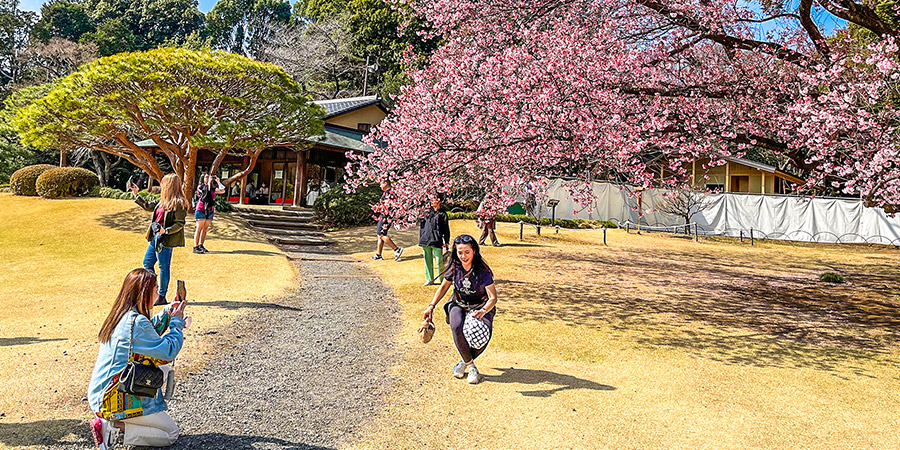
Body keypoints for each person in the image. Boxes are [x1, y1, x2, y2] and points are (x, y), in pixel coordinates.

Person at [87, 268, 187, 449]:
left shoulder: (122, 315)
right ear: (144, 292)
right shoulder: (137, 322)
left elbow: (148, 333)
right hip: (114, 397)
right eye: (156, 289)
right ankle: (114, 429)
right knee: (171, 434)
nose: (158, 293)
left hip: (102, 392)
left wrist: (168, 311)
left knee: (161, 372)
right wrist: (177, 323)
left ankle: (115, 427)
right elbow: (168, 351)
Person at [423, 234, 498, 384]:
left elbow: (493, 298)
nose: (463, 256)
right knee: (456, 326)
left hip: (480, 306)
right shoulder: (454, 267)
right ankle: (471, 368)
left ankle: (464, 362)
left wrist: (483, 311)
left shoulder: (484, 271)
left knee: (483, 337)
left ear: (474, 251)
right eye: (460, 252)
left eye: (467, 252)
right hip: (458, 303)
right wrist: (431, 306)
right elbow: (443, 287)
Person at [131, 173, 188, 306]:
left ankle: (161, 295)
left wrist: (165, 231)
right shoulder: (163, 201)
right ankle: (153, 289)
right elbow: (148, 205)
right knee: (147, 263)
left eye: (163, 184)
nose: (161, 186)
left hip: (165, 239)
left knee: (163, 267)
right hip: (155, 237)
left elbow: (180, 223)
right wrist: (136, 194)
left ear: (169, 186)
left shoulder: (179, 203)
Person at [419, 195, 450, 286]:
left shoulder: (442, 214)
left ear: (439, 201)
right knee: (427, 261)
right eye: (431, 200)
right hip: (425, 239)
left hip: (437, 239)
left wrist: (446, 241)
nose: (432, 202)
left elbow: (446, 228)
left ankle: (442, 279)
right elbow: (422, 226)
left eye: (434, 200)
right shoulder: (427, 213)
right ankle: (429, 279)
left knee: (439, 261)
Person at [193, 174, 226, 254]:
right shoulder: (201, 187)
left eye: (209, 177)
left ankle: (201, 245)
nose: (208, 178)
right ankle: (196, 246)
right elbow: (206, 192)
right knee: (199, 228)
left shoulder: (213, 188)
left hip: (210, 210)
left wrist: (218, 182)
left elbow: (223, 190)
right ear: (203, 179)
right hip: (201, 209)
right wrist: (209, 182)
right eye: (206, 177)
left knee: (205, 229)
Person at [371, 180, 404, 261]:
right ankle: (378, 254)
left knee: (381, 234)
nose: (380, 186)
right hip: (386, 215)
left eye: (380, 184)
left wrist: (378, 208)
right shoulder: (389, 192)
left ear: (386, 183)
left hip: (386, 216)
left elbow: (387, 204)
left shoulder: (389, 192)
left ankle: (396, 249)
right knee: (380, 235)